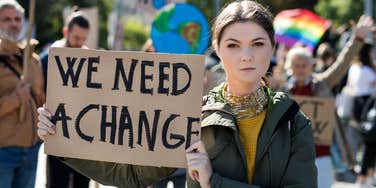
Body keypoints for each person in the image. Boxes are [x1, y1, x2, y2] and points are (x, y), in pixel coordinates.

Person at [37, 1, 317, 187]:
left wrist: (213, 182)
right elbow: (133, 175)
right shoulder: (193, 112)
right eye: (233, 45)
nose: (246, 56)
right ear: (217, 50)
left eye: (257, 43)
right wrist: (62, 138)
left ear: (272, 48)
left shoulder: (293, 121)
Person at [280, 15, 374, 188]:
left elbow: (342, 64)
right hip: (292, 155)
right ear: (290, 67)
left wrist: (357, 39)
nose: (301, 69)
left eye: (304, 65)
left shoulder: (322, 84)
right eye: (297, 65)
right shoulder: (283, 91)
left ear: (311, 65)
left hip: (321, 154)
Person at [39, 11, 91, 188]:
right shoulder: (47, 60)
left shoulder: (91, 61)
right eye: (76, 38)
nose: (80, 43)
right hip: (57, 135)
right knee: (57, 183)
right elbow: (40, 95)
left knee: (81, 184)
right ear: (65, 32)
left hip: (83, 139)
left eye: (84, 39)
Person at [0, 1, 45, 188]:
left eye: (18, 19)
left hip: (32, 149)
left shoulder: (32, 60)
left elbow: (41, 99)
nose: (14, 24)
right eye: (7, 19)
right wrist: (16, 98)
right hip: (4, 150)